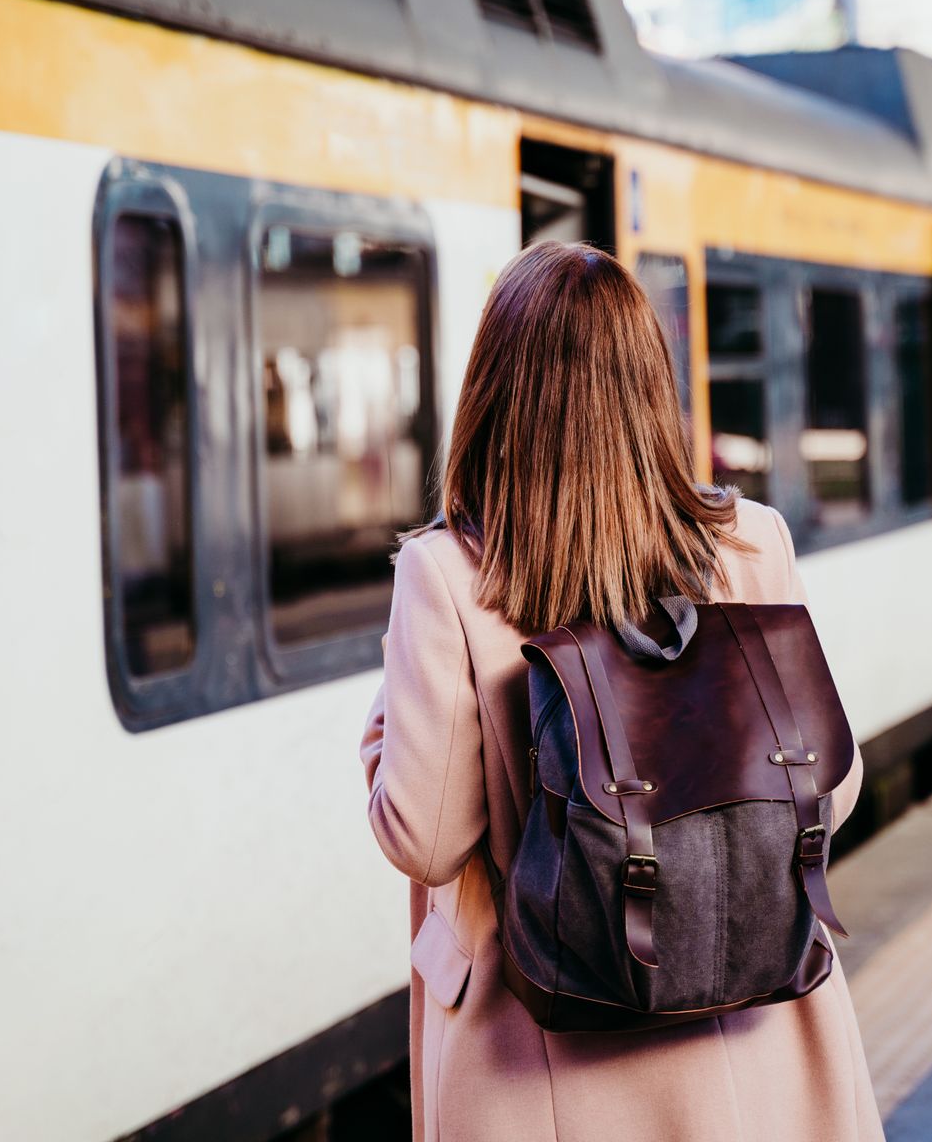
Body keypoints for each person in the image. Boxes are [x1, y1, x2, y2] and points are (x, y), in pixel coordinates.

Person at [360, 241, 883, 1141]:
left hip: (548, 1070)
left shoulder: (449, 574)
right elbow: (829, 791)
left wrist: (381, 727)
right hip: (762, 1050)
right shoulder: (752, 542)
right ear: (652, 386)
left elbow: (429, 838)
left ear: (491, 394)